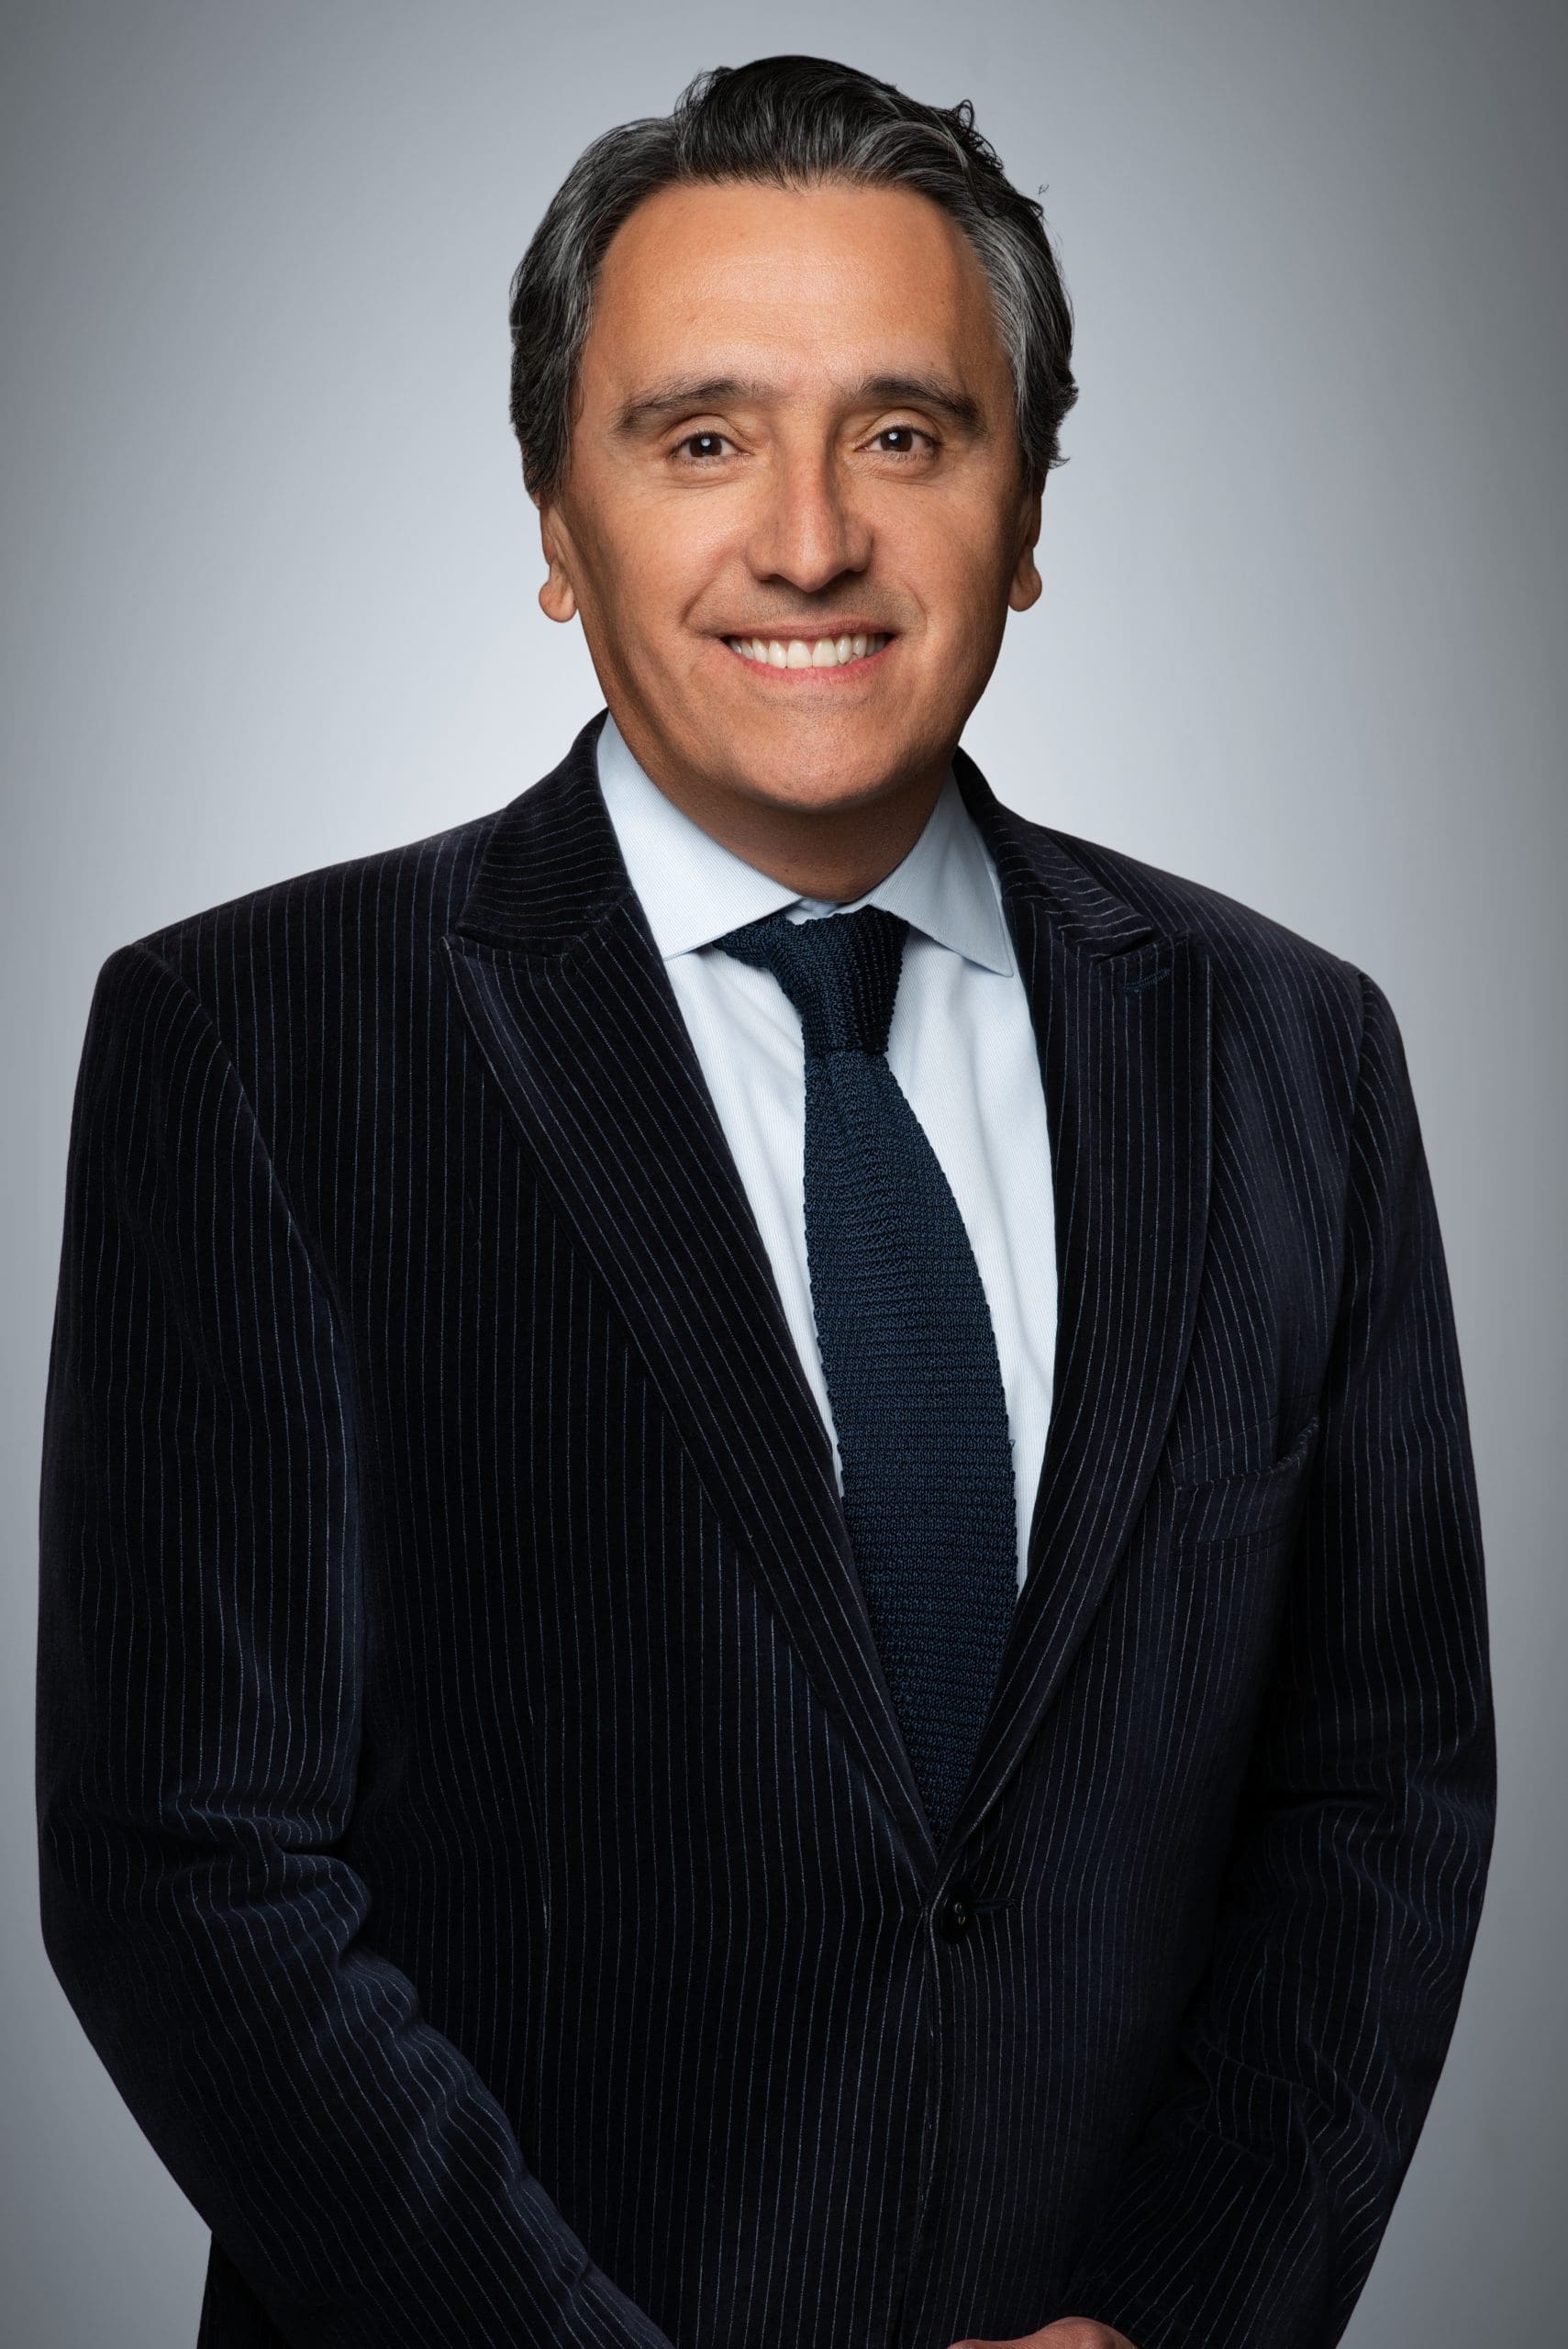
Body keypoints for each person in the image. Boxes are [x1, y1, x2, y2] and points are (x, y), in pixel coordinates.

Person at [36, 52, 1496, 2349]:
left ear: (1027, 510)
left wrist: (1173, 2320)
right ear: (556, 519)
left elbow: (1381, 1791)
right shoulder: (258, 1046)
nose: (809, 539)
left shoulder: (1293, 1055)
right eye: (702, 437)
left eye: (904, 433)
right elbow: (187, 1864)